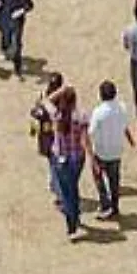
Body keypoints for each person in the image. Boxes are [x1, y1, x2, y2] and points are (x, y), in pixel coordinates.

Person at [89, 80, 135, 221]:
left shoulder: (98, 112)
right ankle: (114, 207)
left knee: (98, 178)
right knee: (114, 181)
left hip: (101, 152)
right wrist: (130, 139)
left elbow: (91, 132)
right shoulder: (122, 107)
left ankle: (105, 204)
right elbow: (125, 126)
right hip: (116, 151)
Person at [47, 85, 87, 241]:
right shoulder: (81, 116)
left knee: (66, 192)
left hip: (61, 159)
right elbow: (85, 140)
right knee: (73, 187)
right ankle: (75, 214)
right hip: (77, 158)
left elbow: (46, 100)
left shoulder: (57, 115)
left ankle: (72, 221)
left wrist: (61, 91)